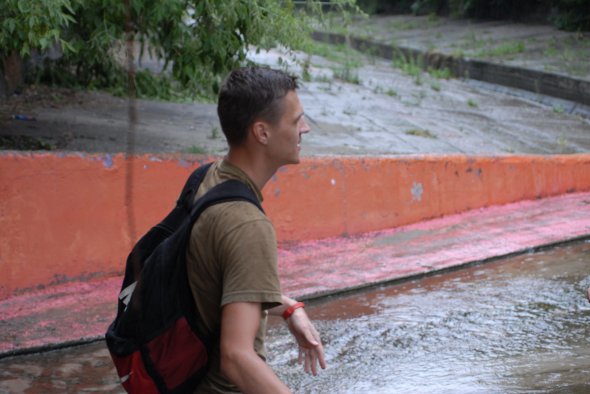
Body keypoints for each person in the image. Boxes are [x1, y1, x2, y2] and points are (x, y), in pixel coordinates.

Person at [186, 67, 325, 393]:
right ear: (262, 133)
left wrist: (289, 308)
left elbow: (219, 281)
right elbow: (236, 356)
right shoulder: (247, 224)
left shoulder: (208, 178)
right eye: (296, 121)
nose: (304, 129)